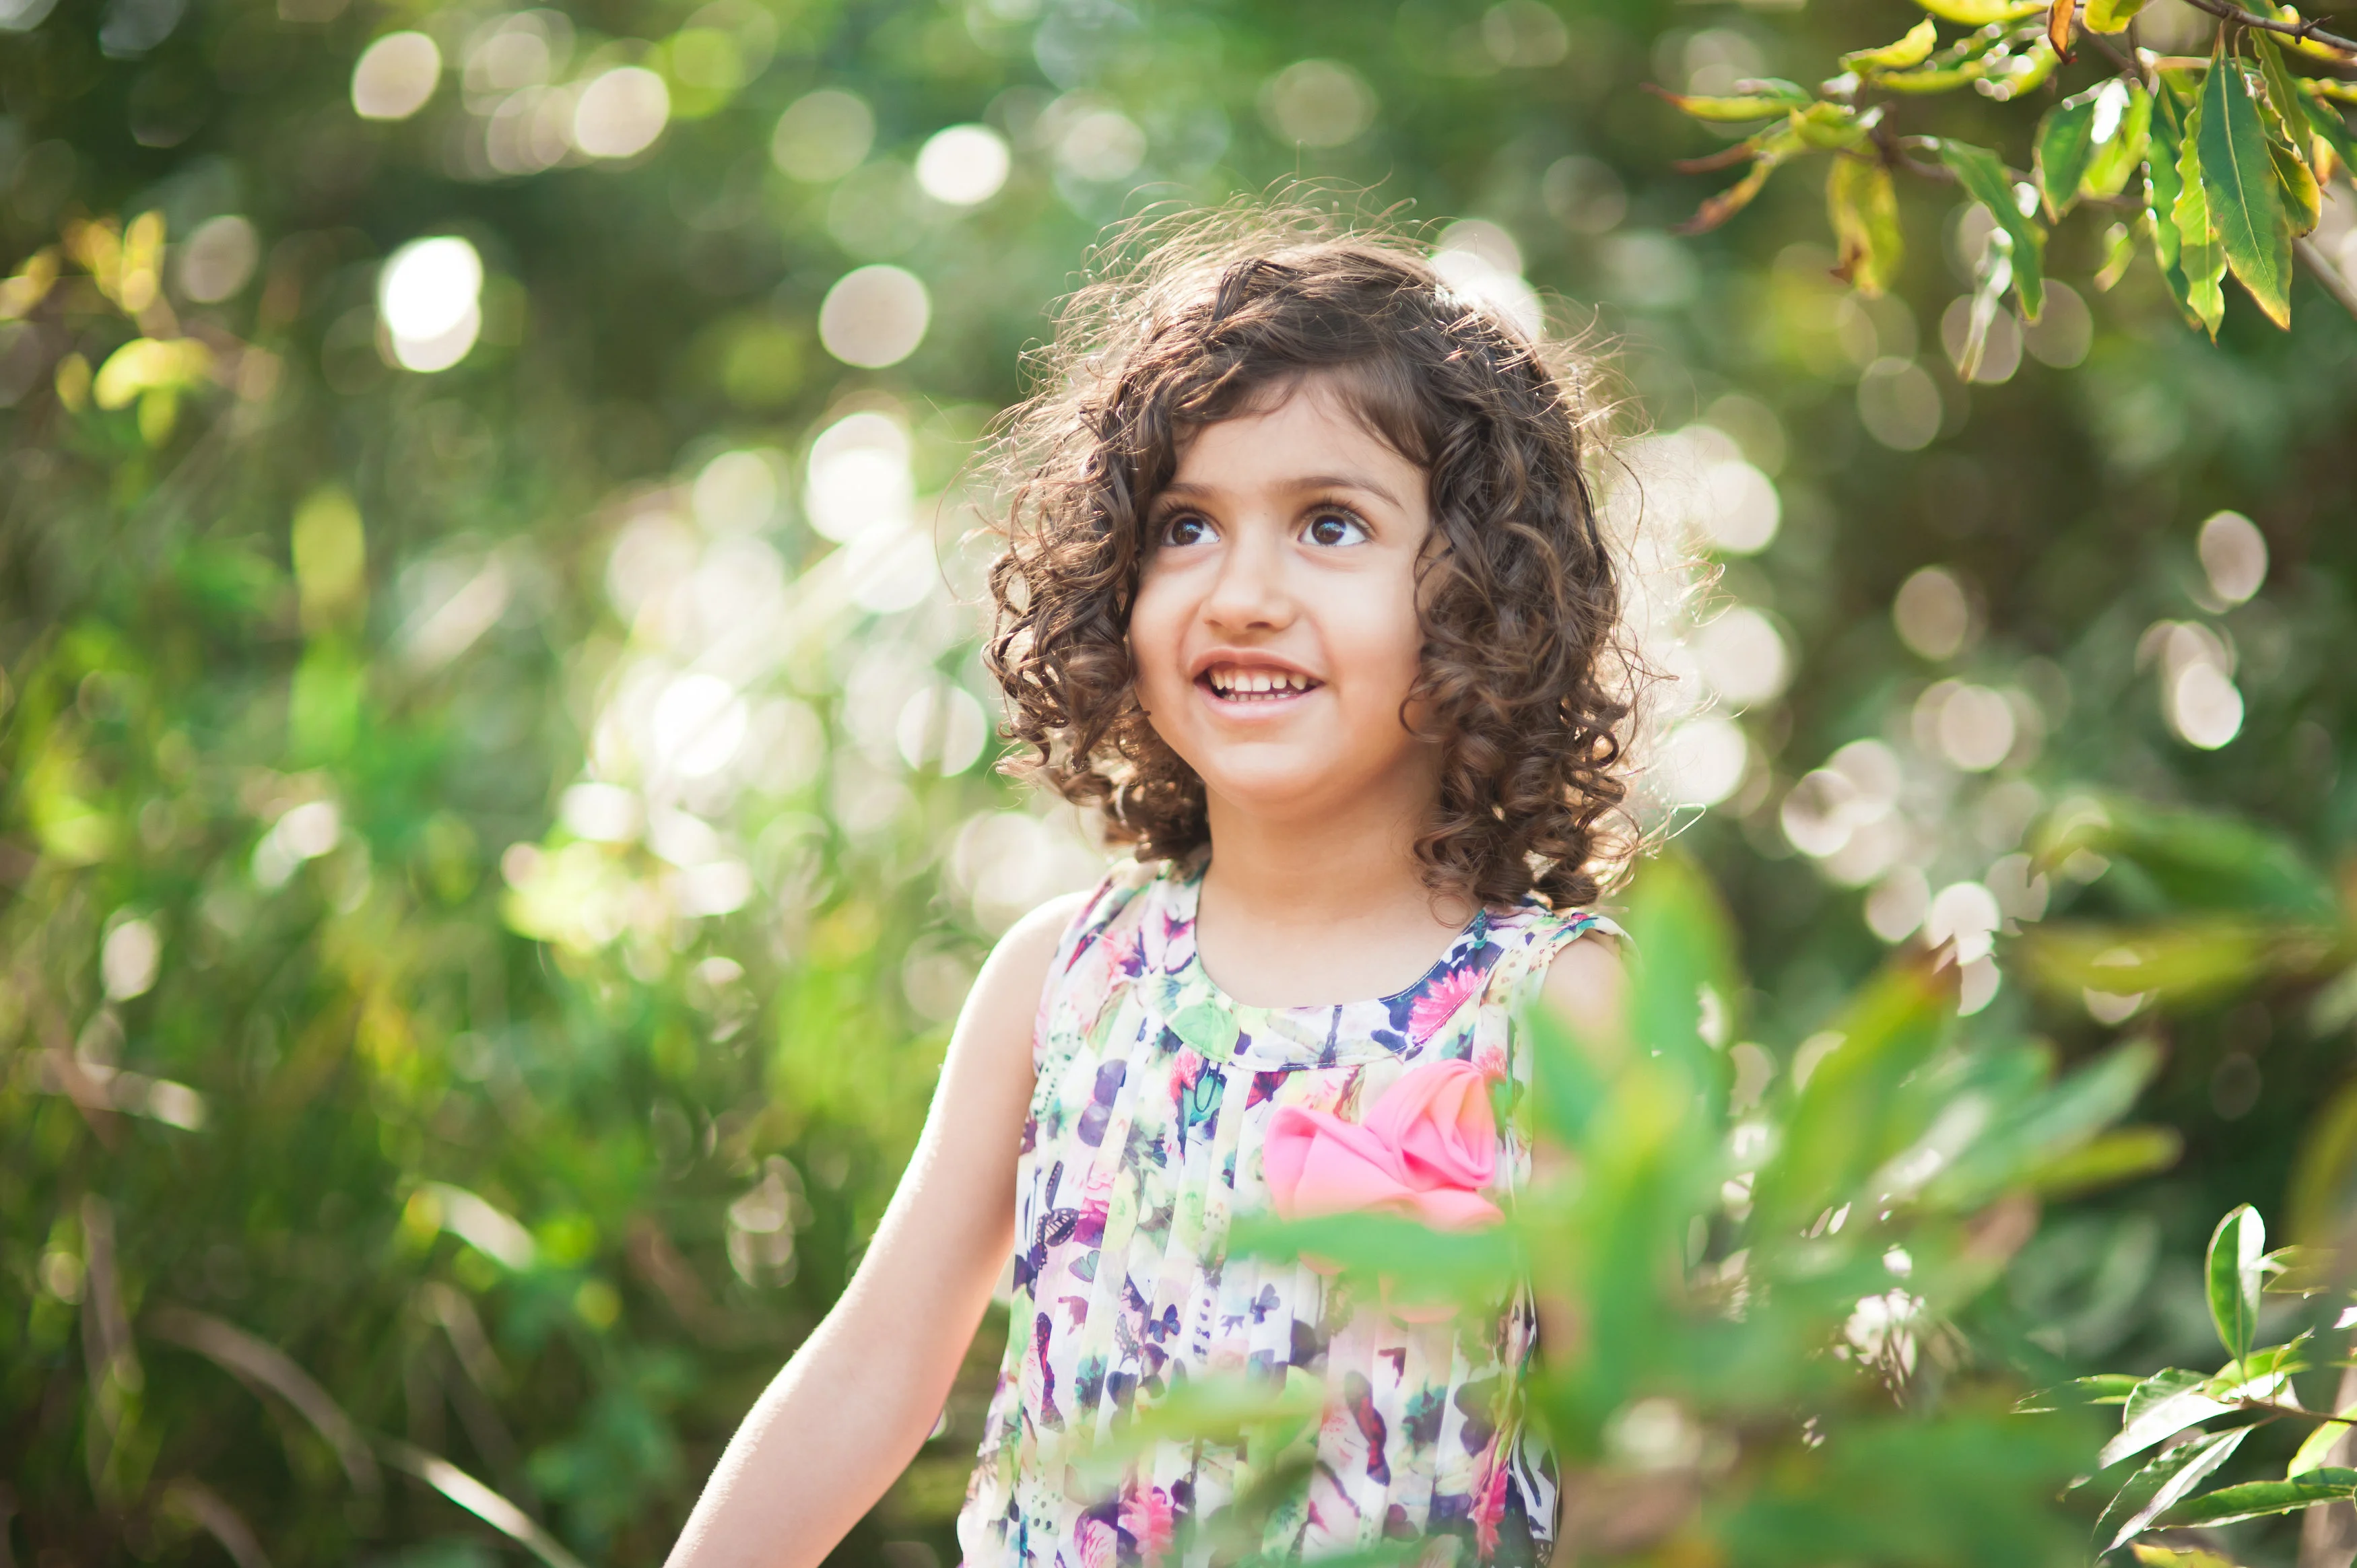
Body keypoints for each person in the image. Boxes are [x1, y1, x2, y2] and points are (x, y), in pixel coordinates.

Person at [667, 210, 1641, 1567]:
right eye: (1186, 526)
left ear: (1479, 595)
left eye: (1329, 524)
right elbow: (871, 1371)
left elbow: (1635, 1463)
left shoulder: (1550, 1012)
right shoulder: (1060, 984)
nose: (1241, 590)